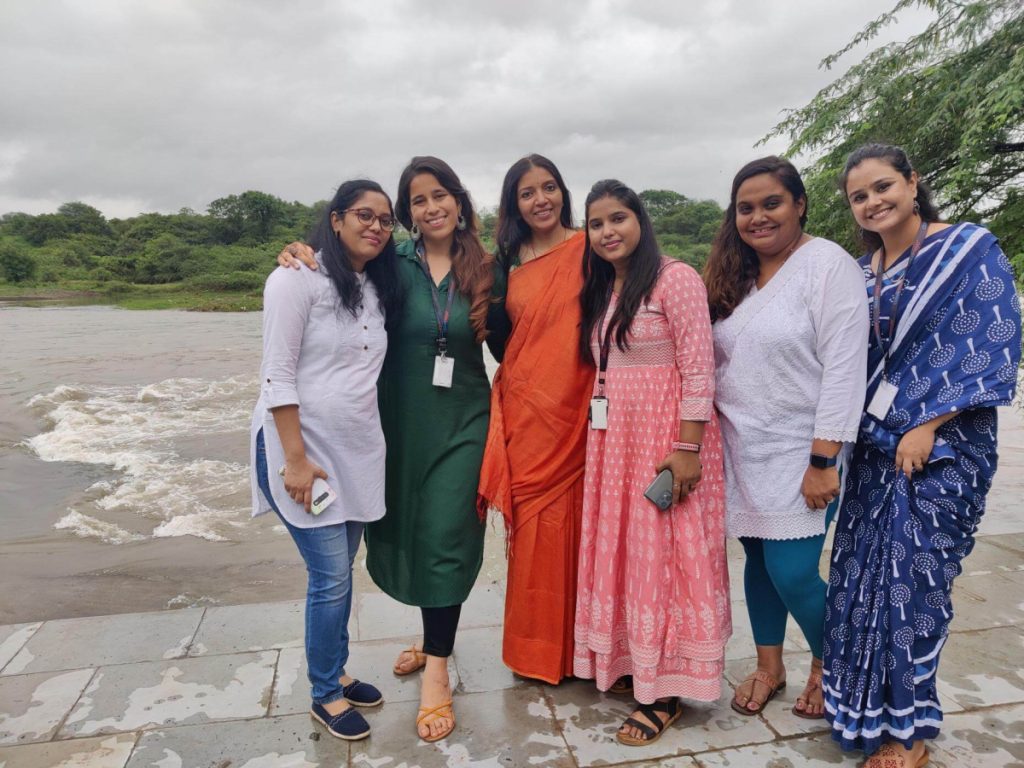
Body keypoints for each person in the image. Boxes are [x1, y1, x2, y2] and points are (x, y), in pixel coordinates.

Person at [279, 157, 508, 743]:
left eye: (441, 196)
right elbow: (337, 260)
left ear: (459, 201)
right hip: (389, 427)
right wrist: (297, 251)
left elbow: (517, 341)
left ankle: (438, 670)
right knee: (406, 534)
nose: (431, 208)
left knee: (447, 537)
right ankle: (432, 638)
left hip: (462, 424)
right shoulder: (390, 262)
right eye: (418, 201)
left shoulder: (489, 267)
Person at [822, 144, 1021, 768]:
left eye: (884, 187)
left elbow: (990, 340)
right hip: (875, 451)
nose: (874, 202)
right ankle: (863, 711)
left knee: (915, 587)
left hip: (942, 449)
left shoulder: (966, 250)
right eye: (860, 196)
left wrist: (929, 423)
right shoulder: (860, 271)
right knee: (861, 583)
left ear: (913, 183)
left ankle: (910, 735)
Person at [703, 156, 868, 720]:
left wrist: (824, 458)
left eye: (771, 203)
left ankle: (831, 663)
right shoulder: (735, 274)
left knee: (794, 570)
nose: (758, 217)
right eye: (745, 208)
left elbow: (846, 367)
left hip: (802, 449)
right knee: (757, 559)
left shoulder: (827, 265)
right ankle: (769, 665)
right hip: (741, 448)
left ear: (799, 203)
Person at [573, 179, 730, 746]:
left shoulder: (674, 278)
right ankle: (634, 661)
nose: (608, 231)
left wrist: (687, 450)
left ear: (640, 220)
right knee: (628, 555)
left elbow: (698, 369)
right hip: (616, 443)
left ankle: (665, 691)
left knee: (668, 560)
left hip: (666, 442)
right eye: (596, 223)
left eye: (618, 218)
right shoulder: (604, 288)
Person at [251, 179, 402, 741]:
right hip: (303, 451)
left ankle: (335, 670)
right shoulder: (295, 279)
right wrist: (294, 459)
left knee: (344, 572)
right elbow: (277, 374)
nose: (376, 227)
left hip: (359, 448)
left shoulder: (375, 284)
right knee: (330, 576)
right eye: (365, 215)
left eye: (387, 221)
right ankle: (324, 693)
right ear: (336, 219)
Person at [477, 154, 595, 685]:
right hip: (529, 412)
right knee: (533, 527)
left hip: (585, 409)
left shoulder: (592, 245)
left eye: (549, 187)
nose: (540, 199)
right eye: (527, 192)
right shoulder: (504, 262)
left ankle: (588, 649)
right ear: (513, 203)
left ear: (563, 192)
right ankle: (536, 650)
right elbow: (500, 337)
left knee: (587, 525)